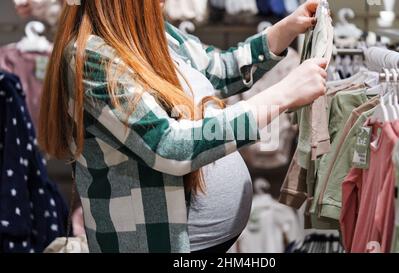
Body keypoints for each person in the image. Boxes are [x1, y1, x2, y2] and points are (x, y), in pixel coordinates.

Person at [38, 0, 327, 253]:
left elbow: (219, 69)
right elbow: (169, 146)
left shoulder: (153, 31)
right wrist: (281, 96)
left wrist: (285, 29)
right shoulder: (91, 57)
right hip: (157, 242)